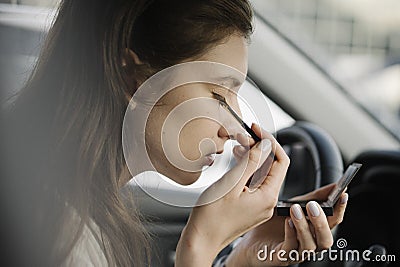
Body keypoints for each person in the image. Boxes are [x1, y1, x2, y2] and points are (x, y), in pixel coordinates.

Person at [2, 0, 348, 266]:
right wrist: (201, 243)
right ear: (133, 79)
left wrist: (238, 257)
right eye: (218, 94)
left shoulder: (70, 207)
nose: (234, 129)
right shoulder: (57, 236)